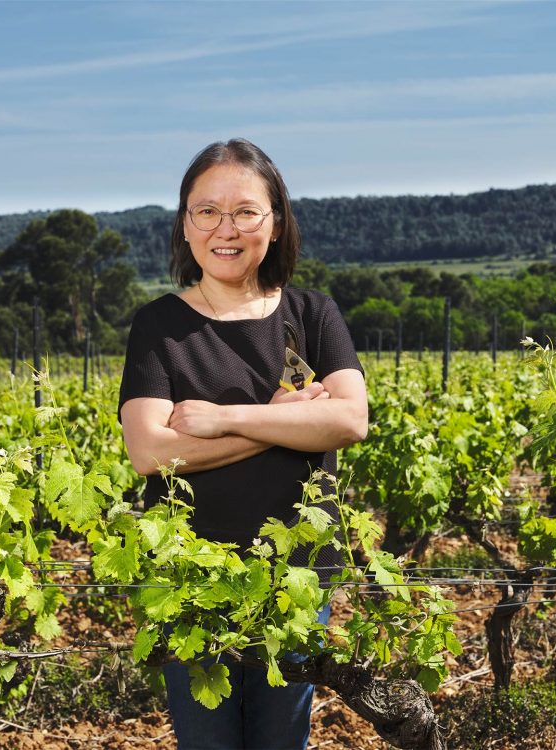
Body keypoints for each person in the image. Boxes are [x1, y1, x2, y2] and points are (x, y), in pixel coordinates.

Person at [118, 138, 367, 750]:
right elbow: (150, 452)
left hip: (298, 579)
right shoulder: (157, 326)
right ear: (185, 224)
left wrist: (226, 420)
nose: (225, 229)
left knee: (282, 742)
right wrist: (283, 424)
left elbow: (350, 422)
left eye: (246, 212)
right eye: (208, 211)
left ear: (276, 223)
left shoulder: (313, 315)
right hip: (190, 584)